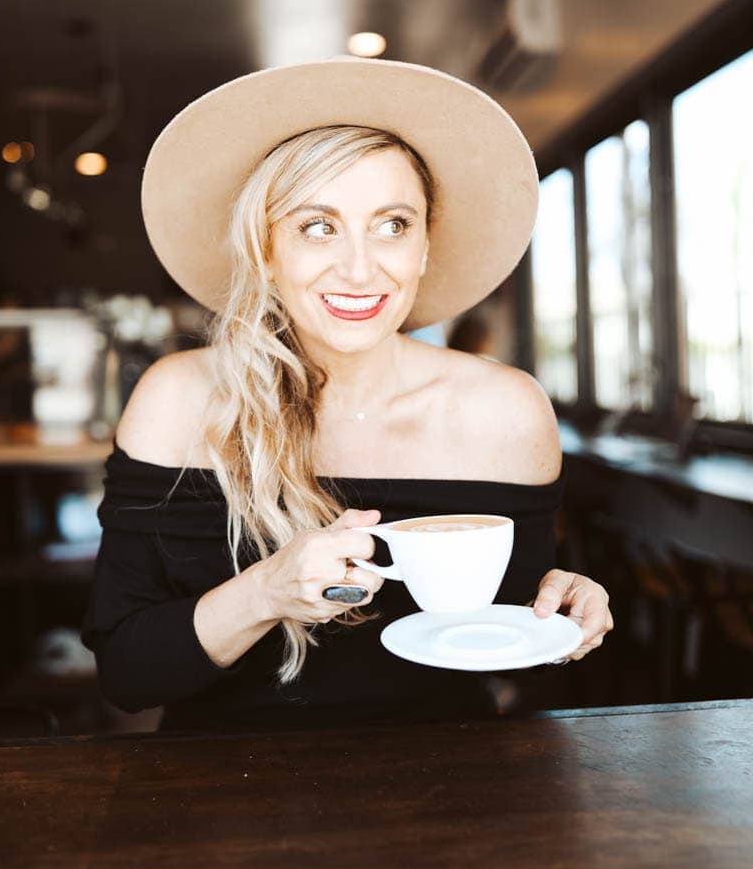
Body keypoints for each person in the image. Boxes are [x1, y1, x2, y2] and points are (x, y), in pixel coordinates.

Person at [82, 58, 613, 732]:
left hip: (456, 787)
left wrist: (564, 606)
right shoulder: (180, 401)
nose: (361, 268)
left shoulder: (505, 412)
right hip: (222, 798)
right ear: (267, 250)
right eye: (318, 225)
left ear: (425, 245)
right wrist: (269, 590)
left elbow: (512, 655)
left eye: (393, 224)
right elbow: (127, 676)